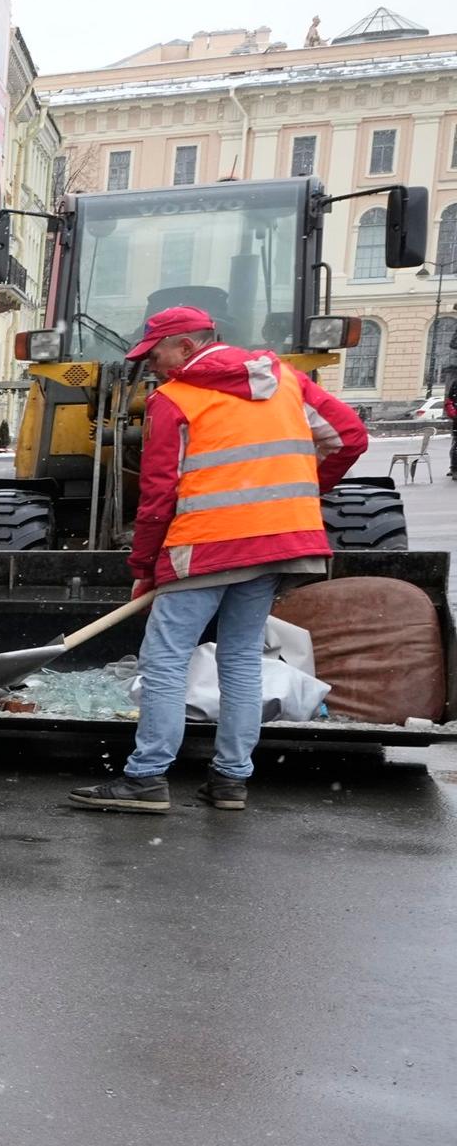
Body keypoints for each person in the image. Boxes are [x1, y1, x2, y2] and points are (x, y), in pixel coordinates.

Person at [68, 305, 366, 813]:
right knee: (242, 660)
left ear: (186, 346)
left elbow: (159, 494)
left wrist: (144, 568)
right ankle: (230, 780)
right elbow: (350, 438)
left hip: (206, 545)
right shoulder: (285, 379)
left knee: (164, 664)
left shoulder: (176, 399)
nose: (153, 366)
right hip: (279, 545)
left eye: (156, 354)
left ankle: (146, 778)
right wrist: (297, 497)